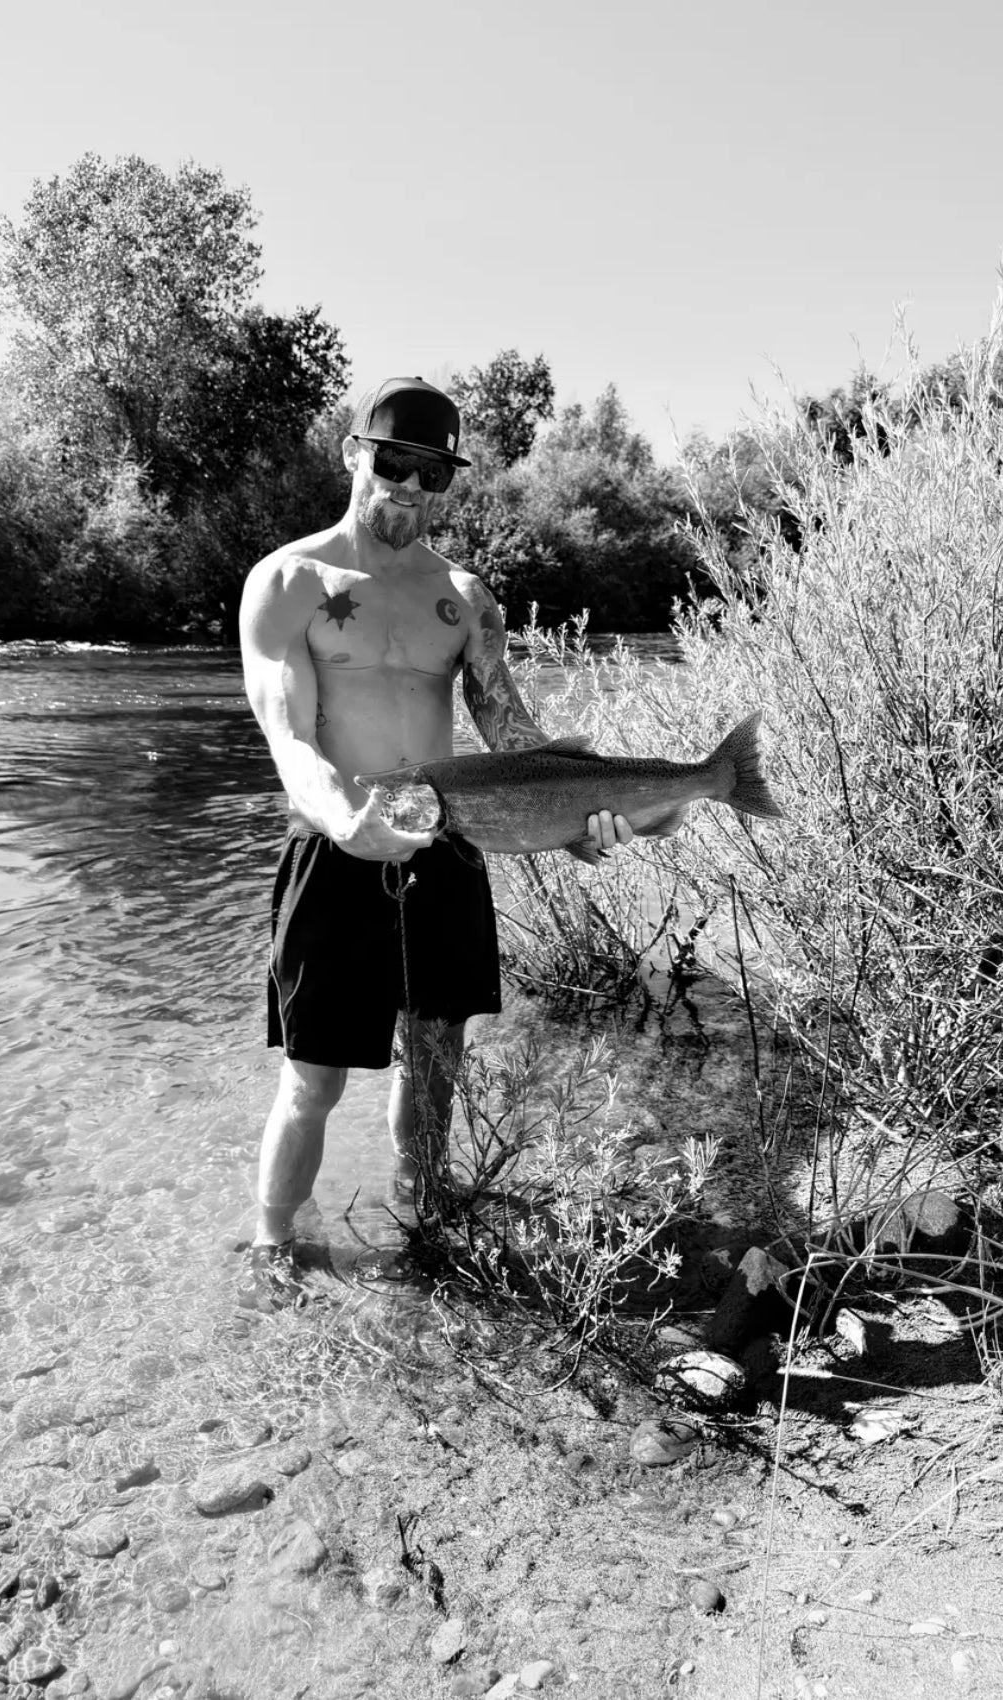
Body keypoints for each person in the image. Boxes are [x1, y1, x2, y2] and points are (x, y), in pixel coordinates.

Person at [238, 376, 632, 1301]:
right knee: (313, 1079)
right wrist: (347, 821)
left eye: (435, 473)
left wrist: (577, 815)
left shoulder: (463, 595)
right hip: (333, 852)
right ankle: (272, 1246)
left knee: (436, 1062)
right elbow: (288, 735)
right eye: (396, 462)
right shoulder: (289, 581)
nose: (412, 486)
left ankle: (424, 1216)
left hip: (445, 852)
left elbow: (512, 735)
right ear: (355, 453)